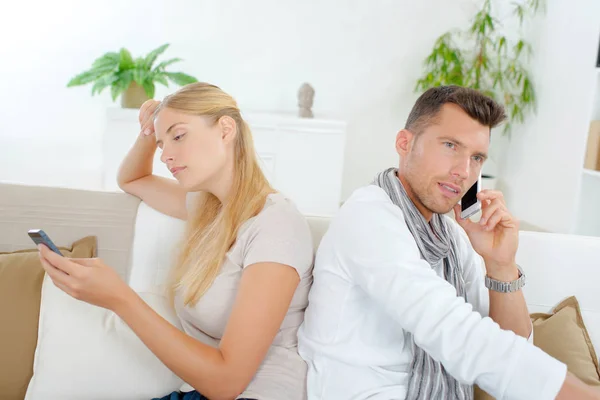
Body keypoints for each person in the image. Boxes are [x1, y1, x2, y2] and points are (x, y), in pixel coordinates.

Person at [297, 85, 600, 400]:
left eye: (477, 157)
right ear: (405, 143)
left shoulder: (451, 237)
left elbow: (511, 347)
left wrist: (501, 265)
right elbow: (455, 333)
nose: (464, 171)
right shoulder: (368, 216)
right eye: (450, 146)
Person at [37, 82, 314, 400]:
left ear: (225, 129)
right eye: (161, 144)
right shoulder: (208, 208)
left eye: (179, 136)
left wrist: (119, 298)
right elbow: (132, 179)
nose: (166, 156)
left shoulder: (275, 226)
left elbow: (226, 383)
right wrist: (149, 130)